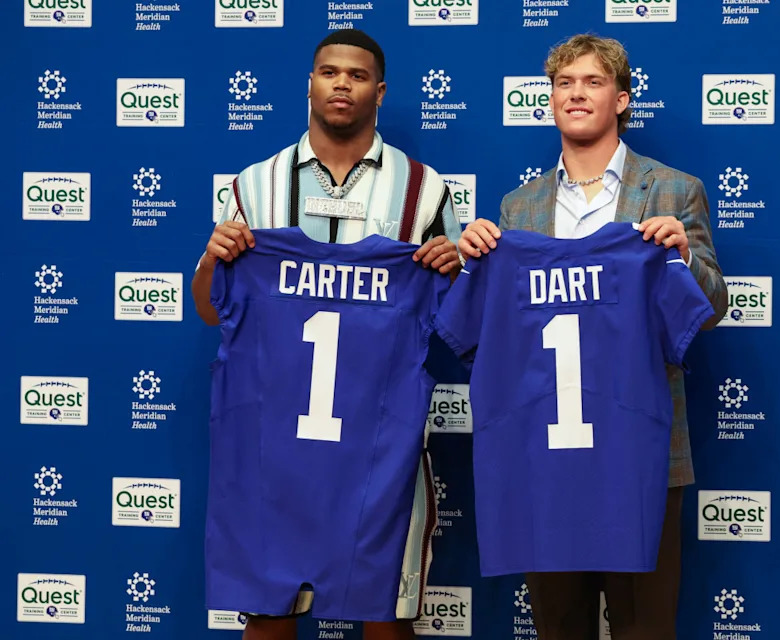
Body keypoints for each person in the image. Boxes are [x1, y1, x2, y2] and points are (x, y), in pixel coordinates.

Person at [191, 29, 462, 640]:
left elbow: (455, 322)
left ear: (380, 91)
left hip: (380, 447)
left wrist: (454, 270)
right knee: (268, 619)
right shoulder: (255, 185)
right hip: (274, 449)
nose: (342, 84)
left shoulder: (425, 190)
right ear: (310, 84)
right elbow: (213, 310)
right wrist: (213, 259)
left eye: (358, 75)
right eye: (329, 72)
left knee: (386, 619)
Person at [457, 34, 728, 640]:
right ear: (550, 99)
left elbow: (710, 310)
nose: (576, 93)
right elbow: (490, 336)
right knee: (560, 626)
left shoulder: (673, 190)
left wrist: (683, 258)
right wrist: (477, 262)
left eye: (593, 82)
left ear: (622, 98)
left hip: (642, 453)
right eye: (564, 83)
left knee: (644, 627)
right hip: (548, 452)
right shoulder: (516, 209)